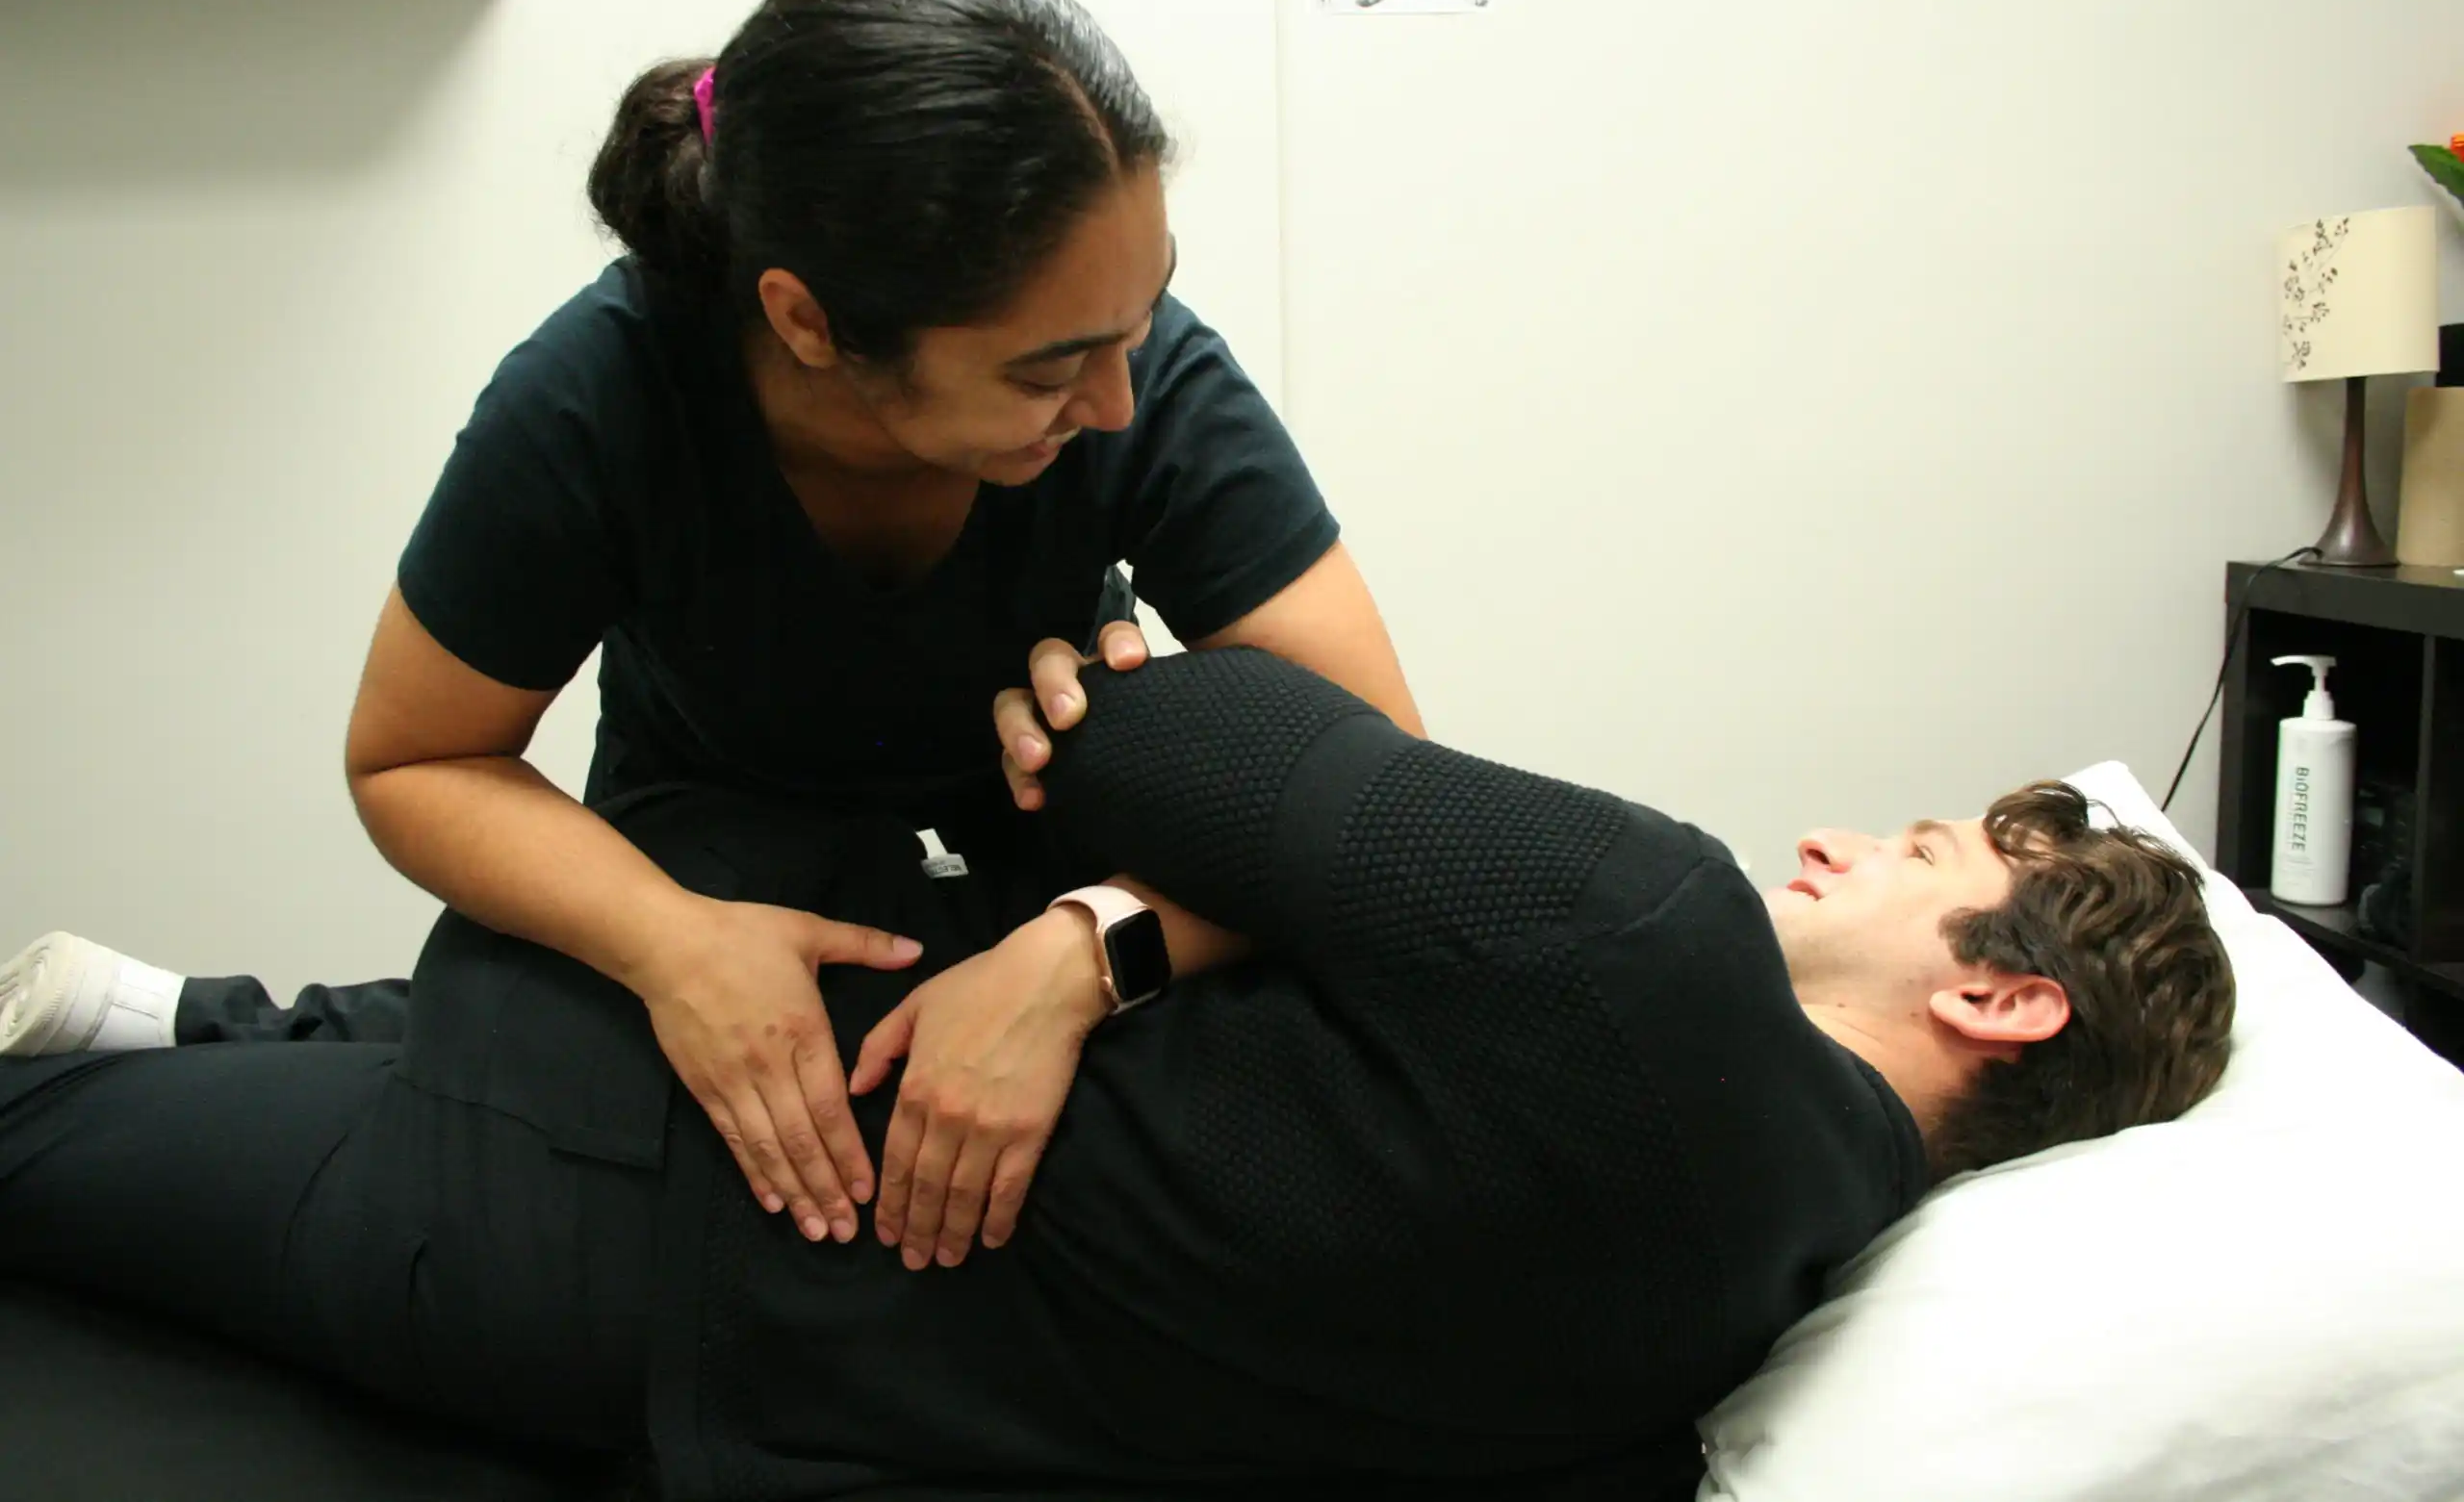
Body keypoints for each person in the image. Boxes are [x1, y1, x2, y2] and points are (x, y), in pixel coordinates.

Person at [0, 645, 2234, 1500]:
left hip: (611, 1189)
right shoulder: (1734, 1319)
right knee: (285, 1040)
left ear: (2004, 1001)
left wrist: (1096, 903)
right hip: (727, 1353)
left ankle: (153, 1048)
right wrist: (1118, 939)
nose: (1839, 842)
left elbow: (1119, 729)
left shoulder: (1645, 941)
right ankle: (188, 1016)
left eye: (1922, 855)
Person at [0, 0, 1421, 1262]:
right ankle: (174, 1046)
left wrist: (1090, 948)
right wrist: (671, 947)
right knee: (578, 1198)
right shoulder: (598, 395)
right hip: (705, 861)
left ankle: (196, 1019)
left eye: (1141, 315)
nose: (1116, 400)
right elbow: (415, 758)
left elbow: (1383, 787)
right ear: (808, 322)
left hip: (1028, 850)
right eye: (1048, 371)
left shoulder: (1137, 370)